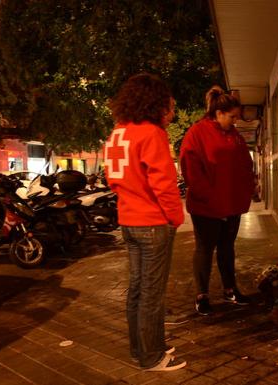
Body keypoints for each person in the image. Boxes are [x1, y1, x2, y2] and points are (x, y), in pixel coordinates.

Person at [104, 73, 186, 371]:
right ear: (154, 102)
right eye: (169, 105)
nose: (171, 112)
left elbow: (112, 179)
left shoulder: (117, 133)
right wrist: (175, 217)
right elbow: (164, 184)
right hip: (153, 223)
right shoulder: (151, 134)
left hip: (128, 221)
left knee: (138, 290)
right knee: (152, 294)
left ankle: (142, 349)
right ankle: (152, 357)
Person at [180, 85, 255, 316]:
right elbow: (191, 169)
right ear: (219, 113)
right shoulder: (197, 133)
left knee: (227, 248)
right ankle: (202, 295)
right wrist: (211, 200)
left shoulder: (234, 135)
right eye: (232, 117)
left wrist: (246, 190)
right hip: (207, 206)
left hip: (231, 204)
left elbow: (245, 165)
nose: (235, 121)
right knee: (204, 249)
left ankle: (230, 289)